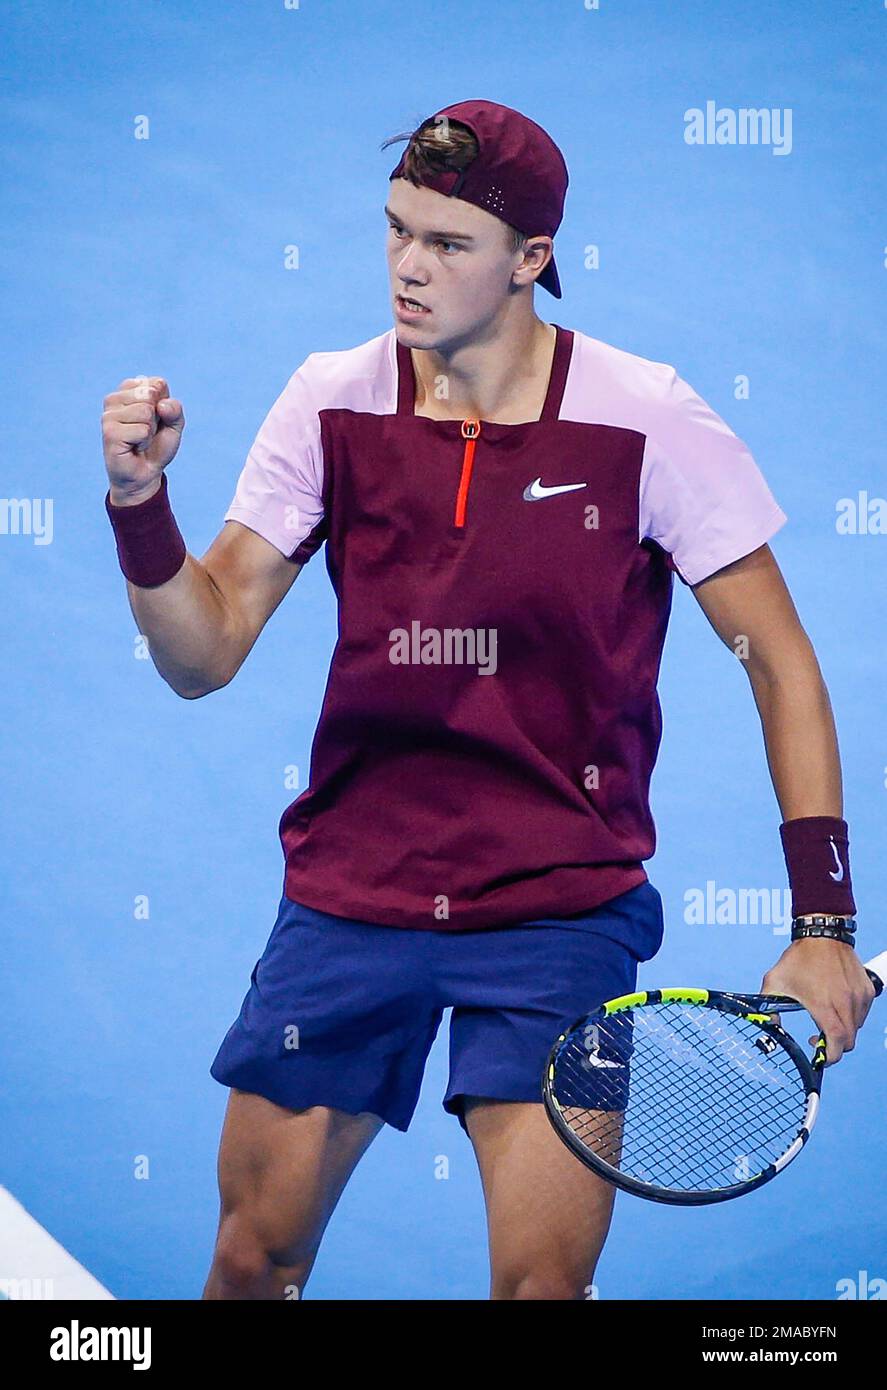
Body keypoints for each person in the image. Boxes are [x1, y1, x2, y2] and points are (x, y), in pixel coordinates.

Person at [101, 99, 876, 1300]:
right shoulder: (331, 397)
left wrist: (821, 924)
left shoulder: (645, 417)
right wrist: (139, 507)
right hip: (352, 894)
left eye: (448, 244)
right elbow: (202, 655)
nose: (408, 267)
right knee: (251, 1262)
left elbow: (778, 659)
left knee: (538, 1293)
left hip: (559, 911)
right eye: (397, 231)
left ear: (531, 263)